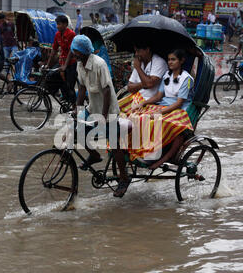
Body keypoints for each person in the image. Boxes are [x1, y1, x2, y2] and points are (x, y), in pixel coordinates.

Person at [71, 35, 128, 198]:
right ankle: (95, 155)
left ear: (84, 51)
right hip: (92, 107)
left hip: (108, 109)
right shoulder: (79, 65)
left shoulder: (99, 64)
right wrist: (78, 109)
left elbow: (107, 90)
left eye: (77, 52)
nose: (74, 55)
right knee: (78, 130)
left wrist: (104, 116)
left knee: (114, 144)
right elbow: (81, 88)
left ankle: (124, 179)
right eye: (73, 52)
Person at [128, 49, 195, 171]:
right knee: (139, 115)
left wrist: (159, 113)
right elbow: (158, 96)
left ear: (182, 61)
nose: (170, 62)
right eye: (169, 59)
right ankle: (142, 150)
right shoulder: (166, 75)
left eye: (173, 59)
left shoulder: (187, 79)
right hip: (164, 105)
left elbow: (179, 103)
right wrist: (143, 103)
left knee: (156, 120)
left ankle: (157, 155)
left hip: (180, 111)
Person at [118, 41, 168, 117]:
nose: (136, 54)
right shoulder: (139, 62)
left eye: (138, 51)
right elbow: (130, 88)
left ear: (147, 50)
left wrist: (138, 68)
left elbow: (149, 84)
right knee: (115, 109)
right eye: (135, 51)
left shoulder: (159, 62)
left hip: (150, 103)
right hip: (136, 99)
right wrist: (145, 83)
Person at [46, 15, 77, 104]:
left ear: (65, 24)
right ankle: (64, 98)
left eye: (59, 24)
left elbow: (71, 51)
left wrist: (65, 66)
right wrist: (48, 64)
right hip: (62, 62)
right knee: (51, 76)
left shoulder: (71, 34)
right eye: (57, 24)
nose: (57, 26)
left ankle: (75, 107)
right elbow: (54, 50)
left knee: (70, 86)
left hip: (71, 63)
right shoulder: (57, 34)